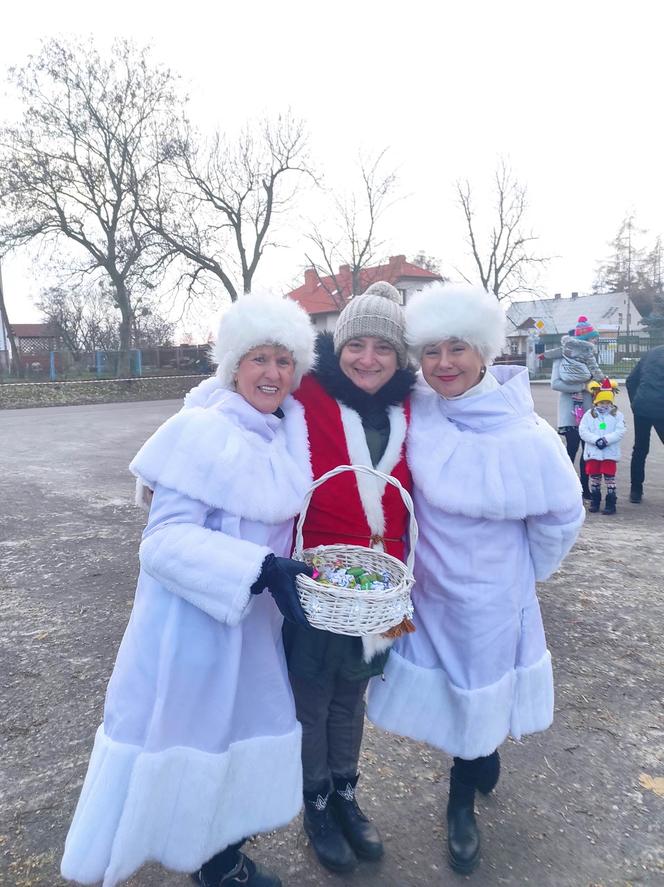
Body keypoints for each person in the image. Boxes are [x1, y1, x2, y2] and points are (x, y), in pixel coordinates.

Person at [60, 293, 316, 887]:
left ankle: (220, 854)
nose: (273, 374)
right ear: (232, 366)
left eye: (284, 361)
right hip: (192, 631)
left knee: (237, 743)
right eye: (258, 359)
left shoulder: (282, 436)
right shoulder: (202, 430)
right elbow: (164, 541)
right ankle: (210, 863)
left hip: (252, 627)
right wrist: (259, 568)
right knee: (192, 745)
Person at [367, 283, 585, 876]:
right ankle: (478, 754)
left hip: (491, 598)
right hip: (427, 591)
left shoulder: (528, 435)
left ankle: (460, 805)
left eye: (457, 349)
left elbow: (561, 516)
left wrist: (521, 576)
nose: (443, 364)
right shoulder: (416, 407)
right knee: (446, 691)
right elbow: (334, 381)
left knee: (478, 694)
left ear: (484, 352)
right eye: (431, 350)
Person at [284, 281, 416, 874]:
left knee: (352, 697)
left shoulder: (413, 405)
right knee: (313, 700)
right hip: (317, 581)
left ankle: (345, 794)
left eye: (382, 348)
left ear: (400, 357)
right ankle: (314, 803)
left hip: (381, 586)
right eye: (355, 344)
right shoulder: (305, 391)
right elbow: (224, 392)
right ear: (336, 347)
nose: (367, 358)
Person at [578, 379, 626, 514]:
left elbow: (620, 431)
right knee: (595, 477)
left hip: (609, 452)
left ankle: (611, 501)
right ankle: (595, 500)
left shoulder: (617, 415)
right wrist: (595, 440)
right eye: (602, 402)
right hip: (594, 452)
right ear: (596, 401)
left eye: (608, 402)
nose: (605, 405)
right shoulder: (589, 415)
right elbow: (583, 430)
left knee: (610, 477)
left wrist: (606, 440)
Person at [625, 344, 664, 503]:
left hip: (642, 406)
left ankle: (635, 491)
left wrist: (635, 403)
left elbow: (630, 381)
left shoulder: (651, 353)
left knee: (640, 449)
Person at [542, 315, 605, 387]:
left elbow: (557, 352)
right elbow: (593, 367)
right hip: (581, 377)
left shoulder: (568, 346)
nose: (595, 340)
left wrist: (544, 355)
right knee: (590, 377)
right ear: (586, 339)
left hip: (565, 376)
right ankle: (581, 390)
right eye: (593, 338)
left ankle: (576, 392)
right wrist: (602, 379)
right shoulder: (586, 350)